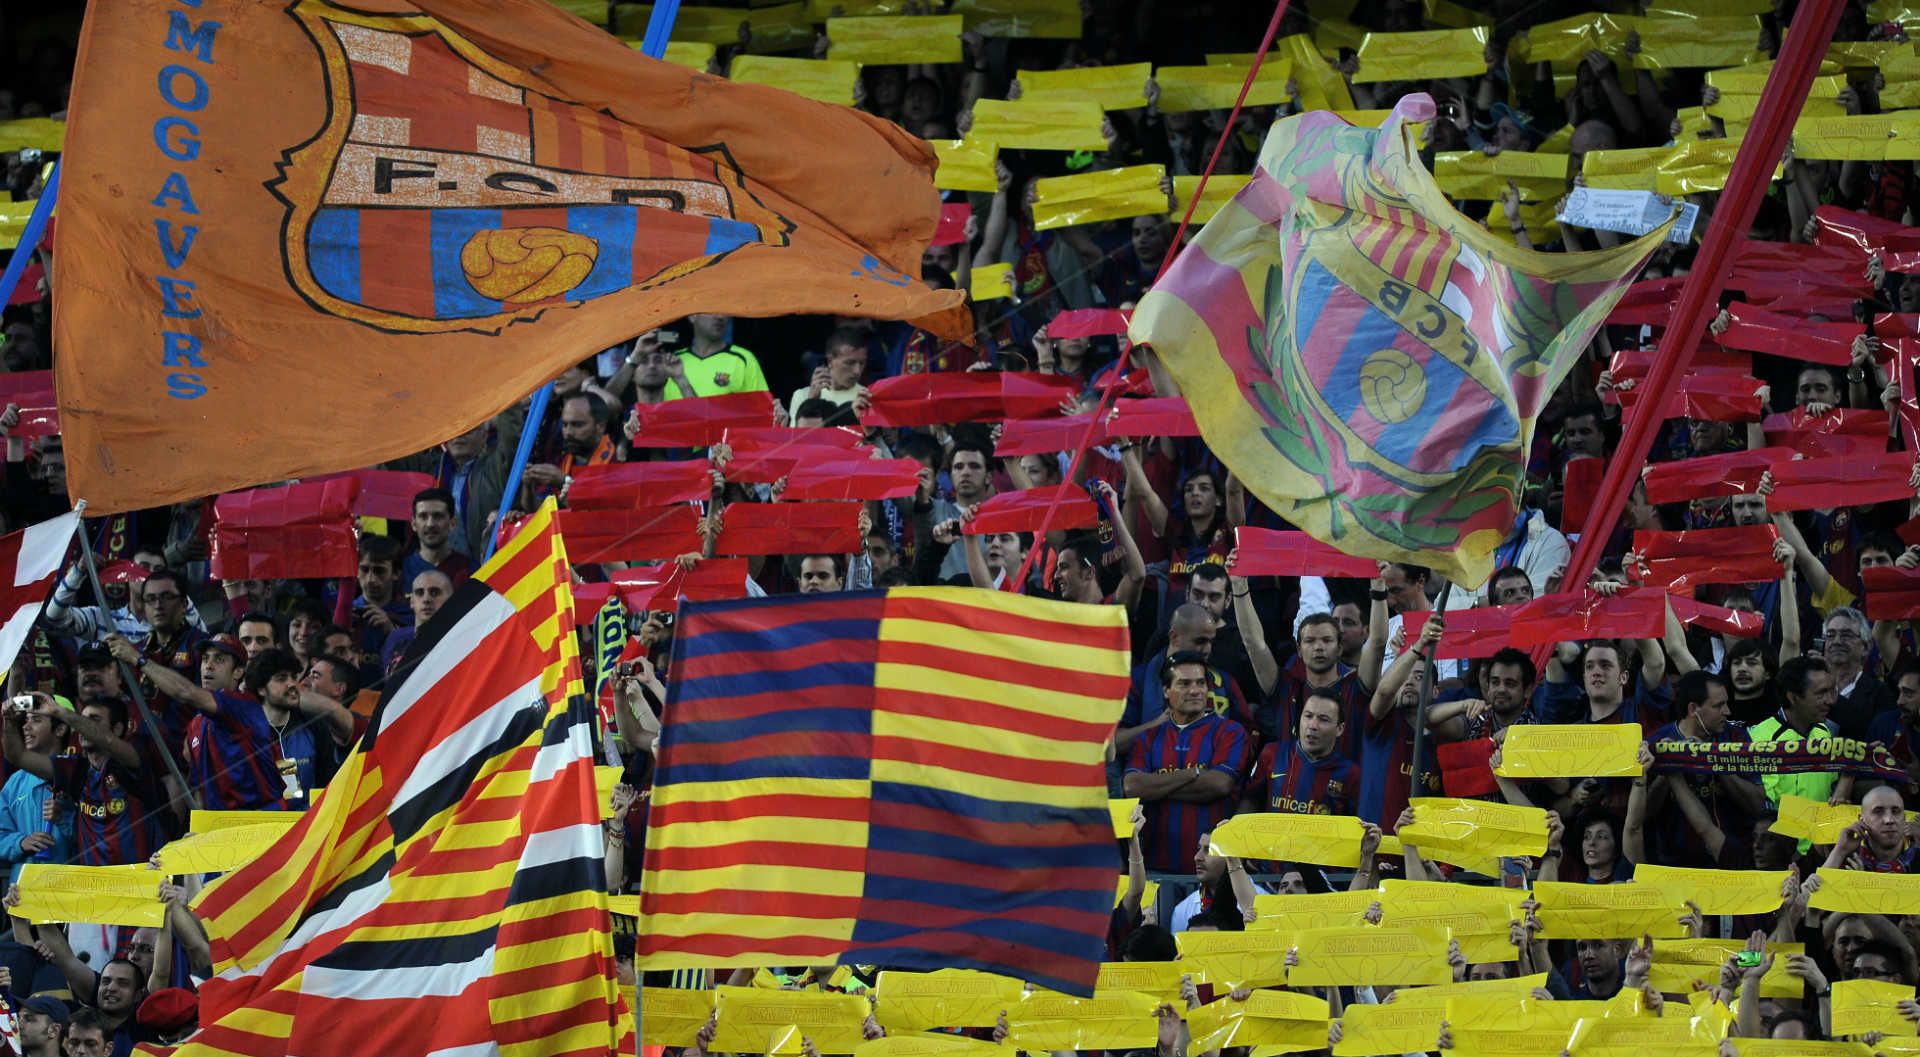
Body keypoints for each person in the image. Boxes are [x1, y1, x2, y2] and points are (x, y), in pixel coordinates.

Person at [2, 694, 167, 867]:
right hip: (91, 886)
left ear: (117, 729)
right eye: (82, 720)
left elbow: (109, 741)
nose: (82, 727)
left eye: (93, 720)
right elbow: (17, 756)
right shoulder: (76, 770)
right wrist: (10, 720)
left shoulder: (133, 761)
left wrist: (60, 712)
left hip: (139, 884)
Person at [1123, 651, 1248, 874]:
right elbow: (1132, 787)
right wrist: (1192, 774)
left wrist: (1157, 788)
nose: (1194, 690)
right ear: (1166, 691)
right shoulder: (1148, 738)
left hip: (1213, 872)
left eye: (1200, 683)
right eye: (1184, 684)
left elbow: (1220, 784)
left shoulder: (1230, 731)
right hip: (1156, 869)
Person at [1750, 656, 1848, 812]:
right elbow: (1765, 806)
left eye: (1831, 692)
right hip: (1780, 835)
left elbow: (1832, 790)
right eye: (1821, 693)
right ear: (1793, 697)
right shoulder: (1761, 739)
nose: (1830, 701)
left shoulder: (1824, 732)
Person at [1241, 693, 1361, 817]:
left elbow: (1356, 824)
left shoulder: (1351, 774)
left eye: (1323, 719)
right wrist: (1235, 826)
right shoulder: (1272, 753)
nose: (1312, 725)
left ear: (1340, 729)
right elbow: (1251, 799)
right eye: (1308, 716)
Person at [0, 695, 72, 884]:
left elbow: (98, 834)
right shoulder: (15, 782)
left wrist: (66, 818)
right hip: (25, 897)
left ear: (60, 729)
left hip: (73, 895)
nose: (26, 726)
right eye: (26, 720)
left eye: (36, 720)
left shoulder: (80, 776)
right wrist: (20, 843)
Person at [663, 314, 769, 398]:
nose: (720, 316)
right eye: (711, 310)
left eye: (725, 311)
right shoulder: (671, 363)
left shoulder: (744, 359)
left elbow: (762, 411)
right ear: (692, 316)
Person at [401, 488, 473, 590]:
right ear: (413, 523)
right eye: (423, 516)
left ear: (452, 523)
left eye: (438, 516)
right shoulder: (401, 571)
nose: (430, 524)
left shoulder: (470, 570)